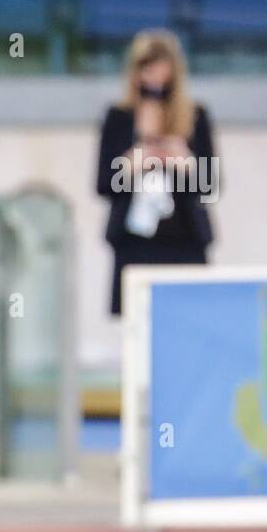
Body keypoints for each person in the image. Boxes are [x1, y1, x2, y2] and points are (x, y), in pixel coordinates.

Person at [96, 29, 219, 316]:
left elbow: (212, 185)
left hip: (185, 239)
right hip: (134, 242)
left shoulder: (195, 116)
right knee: (137, 324)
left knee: (190, 318)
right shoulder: (118, 118)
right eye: (146, 66)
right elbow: (103, 184)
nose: (154, 75)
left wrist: (184, 162)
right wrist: (131, 164)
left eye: (160, 66)